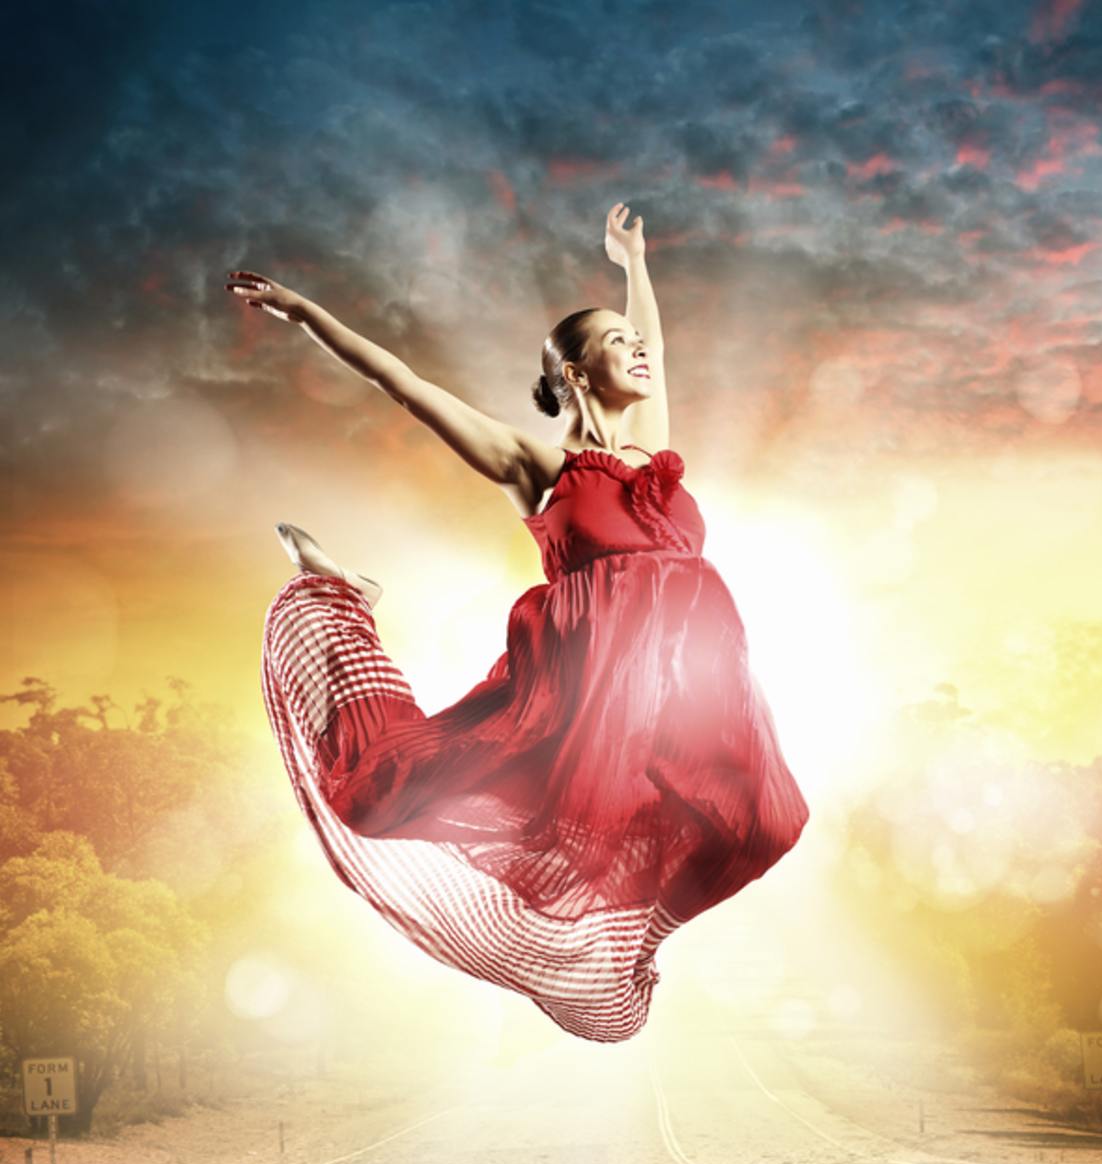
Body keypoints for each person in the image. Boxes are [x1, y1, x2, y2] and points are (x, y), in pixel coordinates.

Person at [230, 203, 809, 1043]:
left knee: (766, 823)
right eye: (616, 342)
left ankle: (627, 946)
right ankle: (344, 598)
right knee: (393, 796)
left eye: (632, 340)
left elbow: (657, 338)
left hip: (694, 682)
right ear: (574, 373)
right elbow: (406, 385)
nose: (638, 350)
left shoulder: (651, 449)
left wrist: (631, 262)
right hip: (582, 691)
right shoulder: (537, 466)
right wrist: (309, 313)